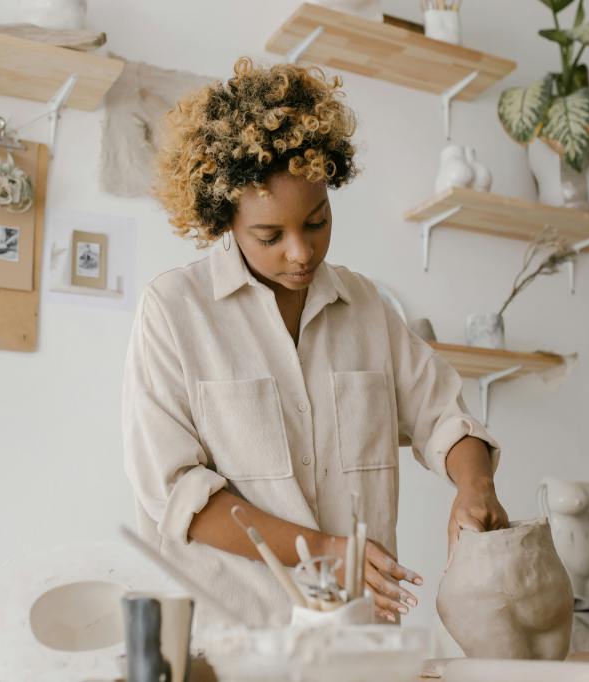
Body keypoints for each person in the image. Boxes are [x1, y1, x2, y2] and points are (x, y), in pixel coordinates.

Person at [123, 57, 508, 627]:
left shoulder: (366, 307)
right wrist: (327, 552)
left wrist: (474, 487)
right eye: (270, 235)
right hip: (236, 641)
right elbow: (179, 498)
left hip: (360, 640)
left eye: (318, 221)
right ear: (223, 219)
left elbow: (442, 417)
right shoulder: (174, 312)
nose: (300, 252)